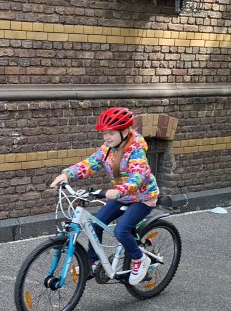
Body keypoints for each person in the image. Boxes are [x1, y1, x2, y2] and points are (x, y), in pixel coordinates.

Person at [50, 107, 160, 285]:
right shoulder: (108, 149)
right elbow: (90, 164)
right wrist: (67, 175)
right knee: (95, 224)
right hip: (122, 196)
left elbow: (138, 176)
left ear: (125, 131)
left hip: (142, 198)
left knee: (121, 230)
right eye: (104, 133)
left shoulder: (136, 150)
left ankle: (140, 259)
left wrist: (119, 190)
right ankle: (92, 263)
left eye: (111, 133)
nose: (107, 137)